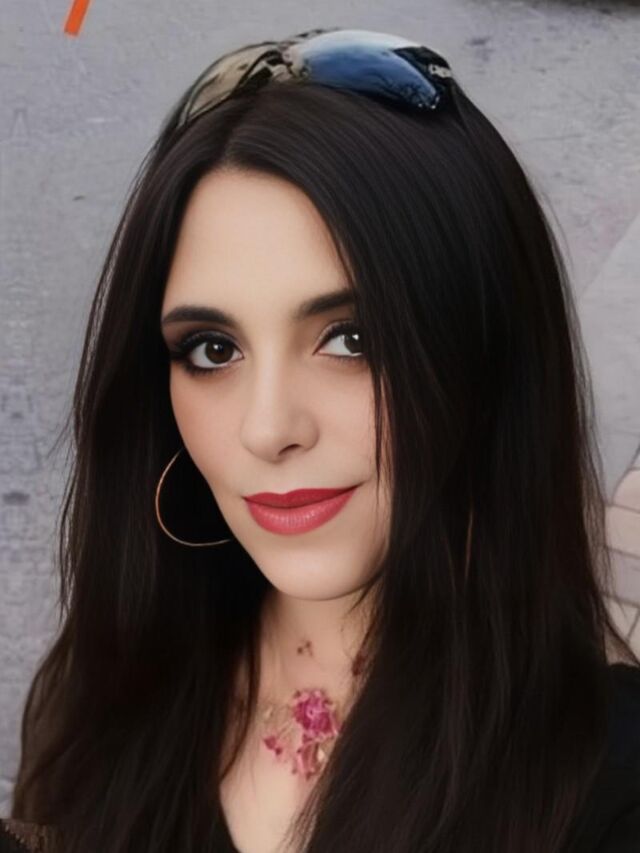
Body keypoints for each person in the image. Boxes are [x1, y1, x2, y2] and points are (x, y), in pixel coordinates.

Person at [2, 25, 639, 853]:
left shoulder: (606, 779)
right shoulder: (108, 685)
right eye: (213, 350)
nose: (268, 428)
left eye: (351, 338)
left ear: (488, 353)